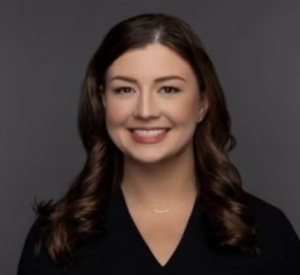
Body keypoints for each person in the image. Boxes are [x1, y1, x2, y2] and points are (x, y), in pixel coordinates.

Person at [17, 13, 300, 275]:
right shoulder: (56, 237)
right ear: (103, 101)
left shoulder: (268, 232)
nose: (145, 111)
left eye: (168, 89)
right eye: (125, 89)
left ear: (203, 103)